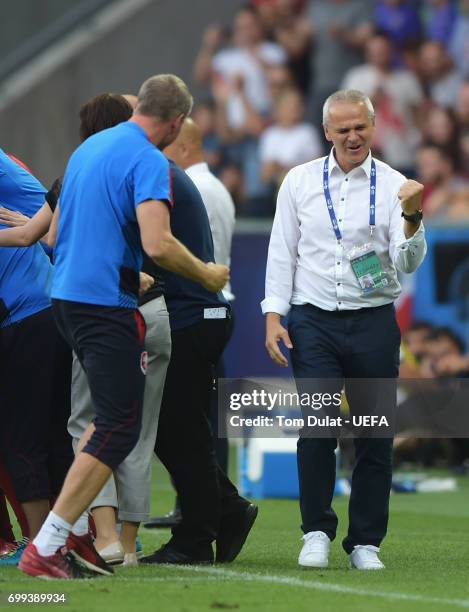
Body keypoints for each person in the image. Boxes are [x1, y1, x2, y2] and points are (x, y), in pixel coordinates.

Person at [18, 73, 229, 580]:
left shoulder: (89, 149)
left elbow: (50, 233)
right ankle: (51, 544)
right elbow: (158, 244)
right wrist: (206, 272)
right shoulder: (148, 159)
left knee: (102, 422)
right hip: (103, 303)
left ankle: (75, 540)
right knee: (119, 426)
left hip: (67, 297)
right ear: (176, 121)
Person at [261, 89, 426, 570]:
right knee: (317, 428)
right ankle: (315, 532)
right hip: (312, 319)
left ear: (373, 129)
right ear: (327, 131)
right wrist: (273, 315)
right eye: (344, 128)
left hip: (373, 319)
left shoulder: (396, 185)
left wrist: (414, 215)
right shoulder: (298, 181)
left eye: (361, 127)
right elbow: (281, 250)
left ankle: (366, 542)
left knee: (375, 433)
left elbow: (407, 262)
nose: (353, 136)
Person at [140, 151, 256, 566]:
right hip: (196, 313)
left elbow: (158, 245)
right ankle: (224, 509)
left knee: (180, 430)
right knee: (176, 429)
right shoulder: (177, 178)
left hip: (189, 315)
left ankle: (196, 536)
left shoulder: (160, 176)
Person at [145, 117, 237, 529]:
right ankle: (212, 505)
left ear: (179, 145)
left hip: (197, 305)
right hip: (209, 305)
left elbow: (178, 250)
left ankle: (209, 509)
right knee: (197, 420)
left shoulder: (189, 186)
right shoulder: (210, 187)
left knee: (191, 422)